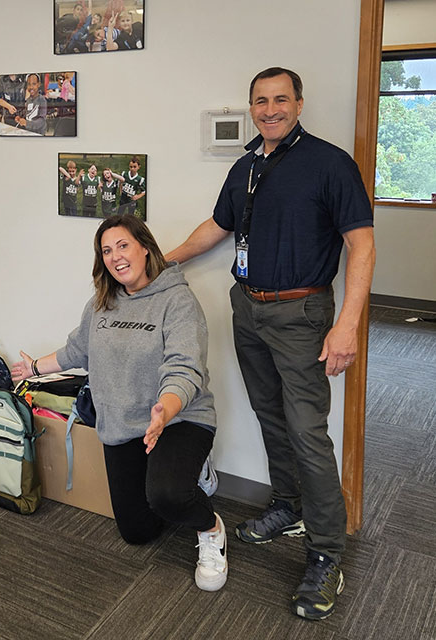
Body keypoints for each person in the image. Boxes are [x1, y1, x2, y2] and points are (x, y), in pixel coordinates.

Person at [165, 67, 375, 620]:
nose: (270, 109)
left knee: (308, 432)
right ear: (252, 107)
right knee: (270, 415)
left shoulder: (331, 164)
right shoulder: (246, 166)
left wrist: (348, 323)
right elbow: (217, 227)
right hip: (248, 307)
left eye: (281, 99)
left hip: (304, 313)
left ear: (299, 103)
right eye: (261, 101)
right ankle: (288, 504)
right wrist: (162, 261)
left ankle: (328, 553)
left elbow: (362, 245)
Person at [11, 214, 226, 592]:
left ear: (145, 247)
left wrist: (165, 410)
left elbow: (184, 368)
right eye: (106, 250)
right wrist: (32, 367)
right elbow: (78, 349)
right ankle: (173, 481)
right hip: (124, 426)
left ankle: (210, 526)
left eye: (123, 245)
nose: (115, 257)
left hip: (178, 419)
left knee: (168, 495)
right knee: (137, 531)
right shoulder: (101, 303)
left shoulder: (177, 301)